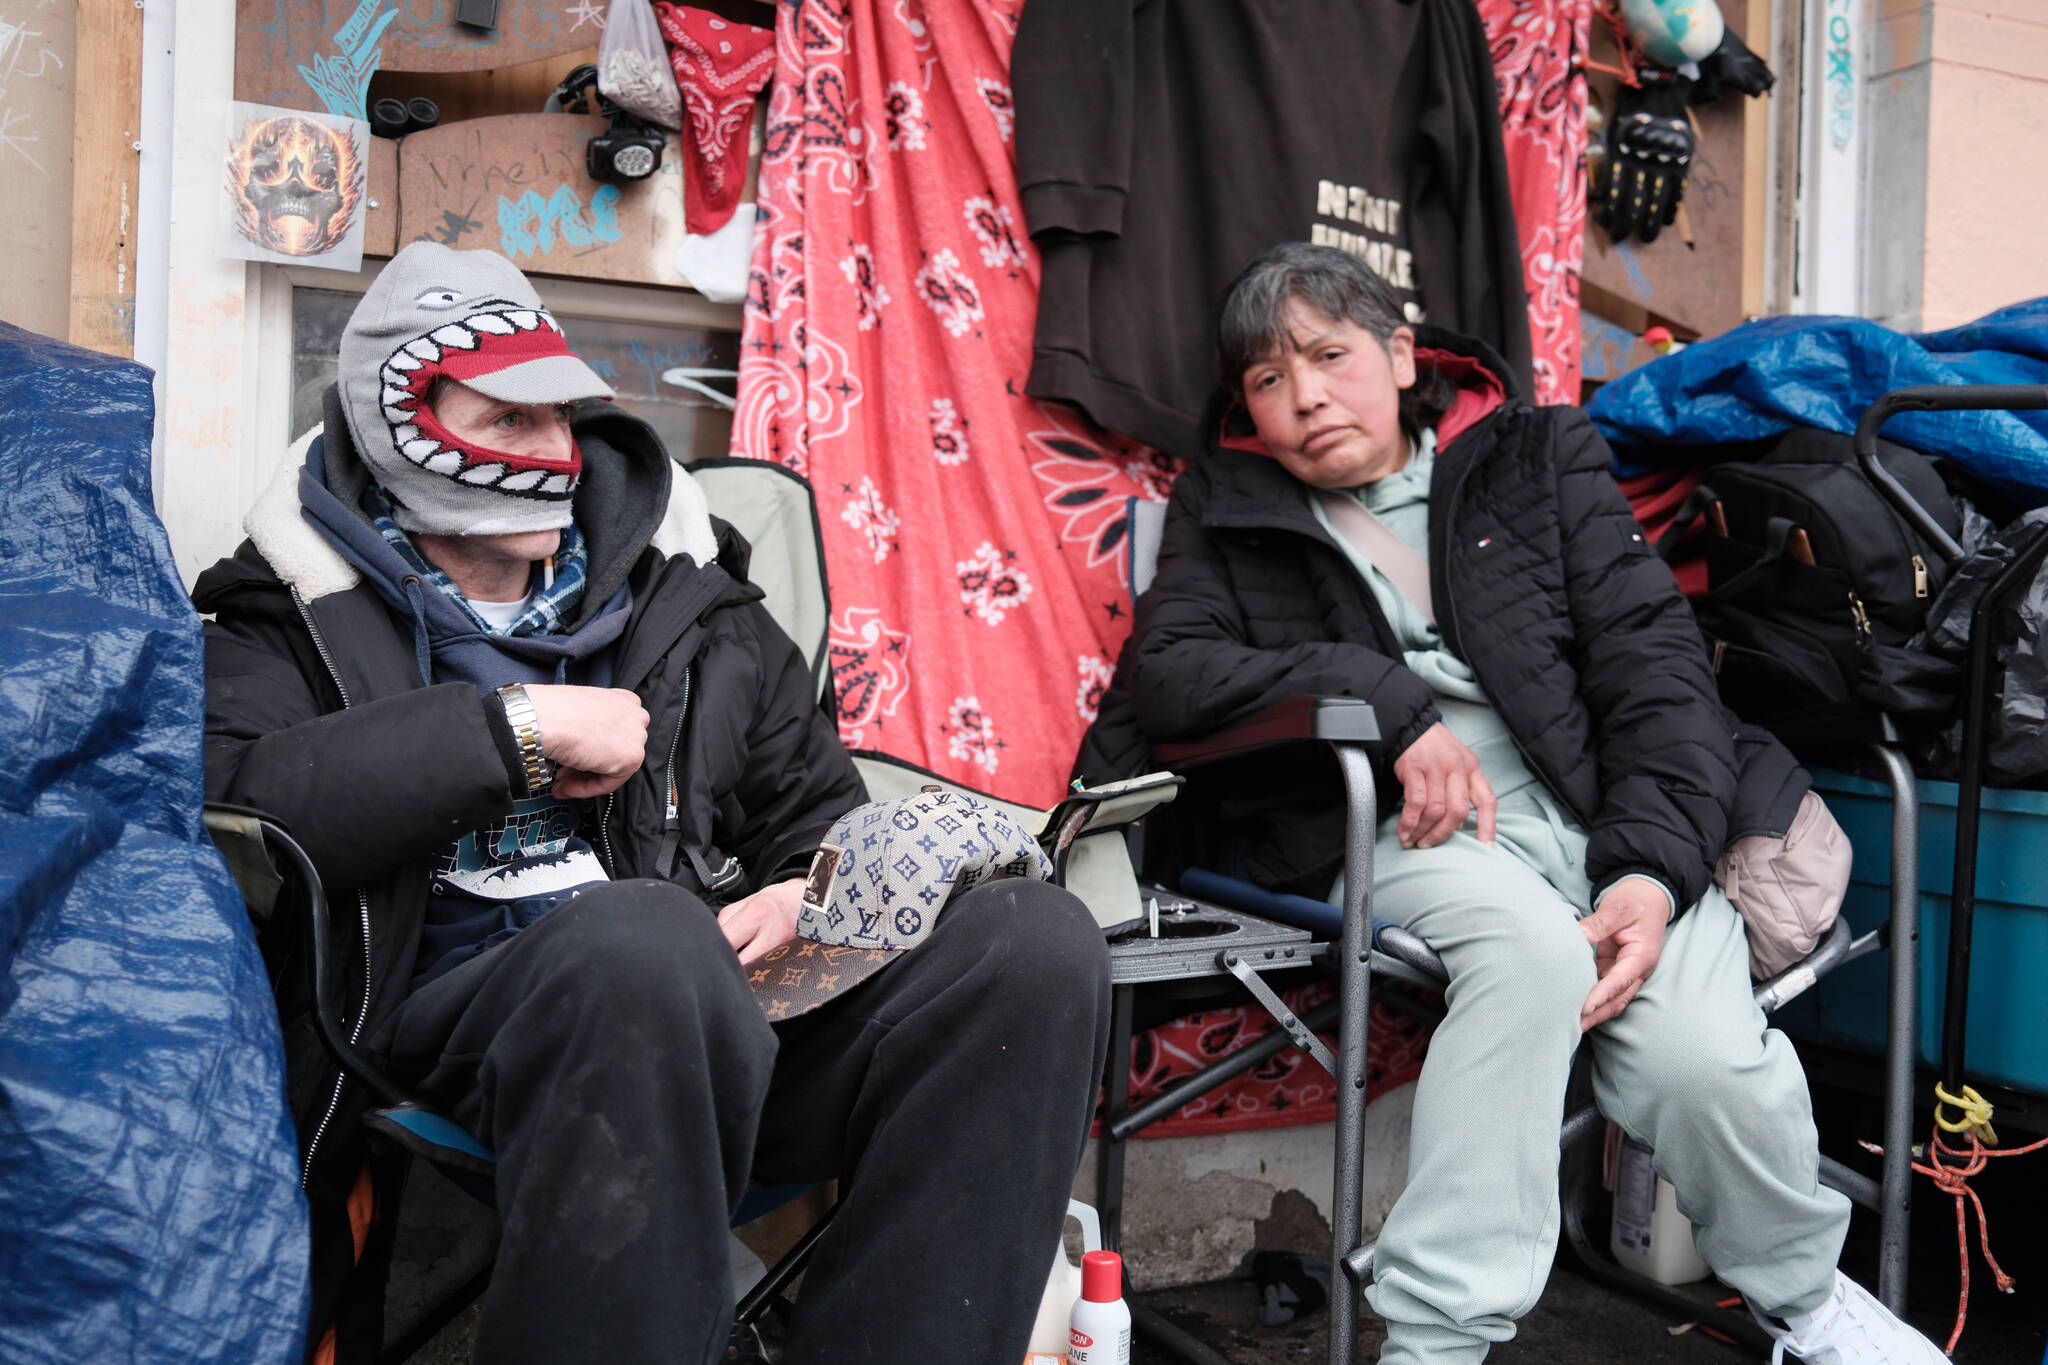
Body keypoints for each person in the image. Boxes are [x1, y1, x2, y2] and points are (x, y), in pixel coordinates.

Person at [195, 241, 1111, 1365]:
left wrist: (805, 892)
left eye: (561, 417)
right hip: (463, 1025)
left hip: (719, 1007)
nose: (557, 452)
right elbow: (245, 807)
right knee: (643, 940)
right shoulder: (289, 611)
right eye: (509, 420)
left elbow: (813, 812)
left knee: (1032, 944)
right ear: (398, 430)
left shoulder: (693, 608)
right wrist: (509, 734)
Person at [1082, 242, 1944, 1365]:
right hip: (1403, 831)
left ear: (1401, 355)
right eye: (1267, 379)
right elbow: (1170, 676)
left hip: (1598, 816)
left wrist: (1649, 872)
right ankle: (1436, 1344)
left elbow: (1654, 671)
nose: (1304, 397)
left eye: (1329, 357)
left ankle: (1807, 1304)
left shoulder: (1535, 458)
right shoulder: (1228, 503)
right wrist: (1384, 700)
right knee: (1532, 956)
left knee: (1696, 1057)